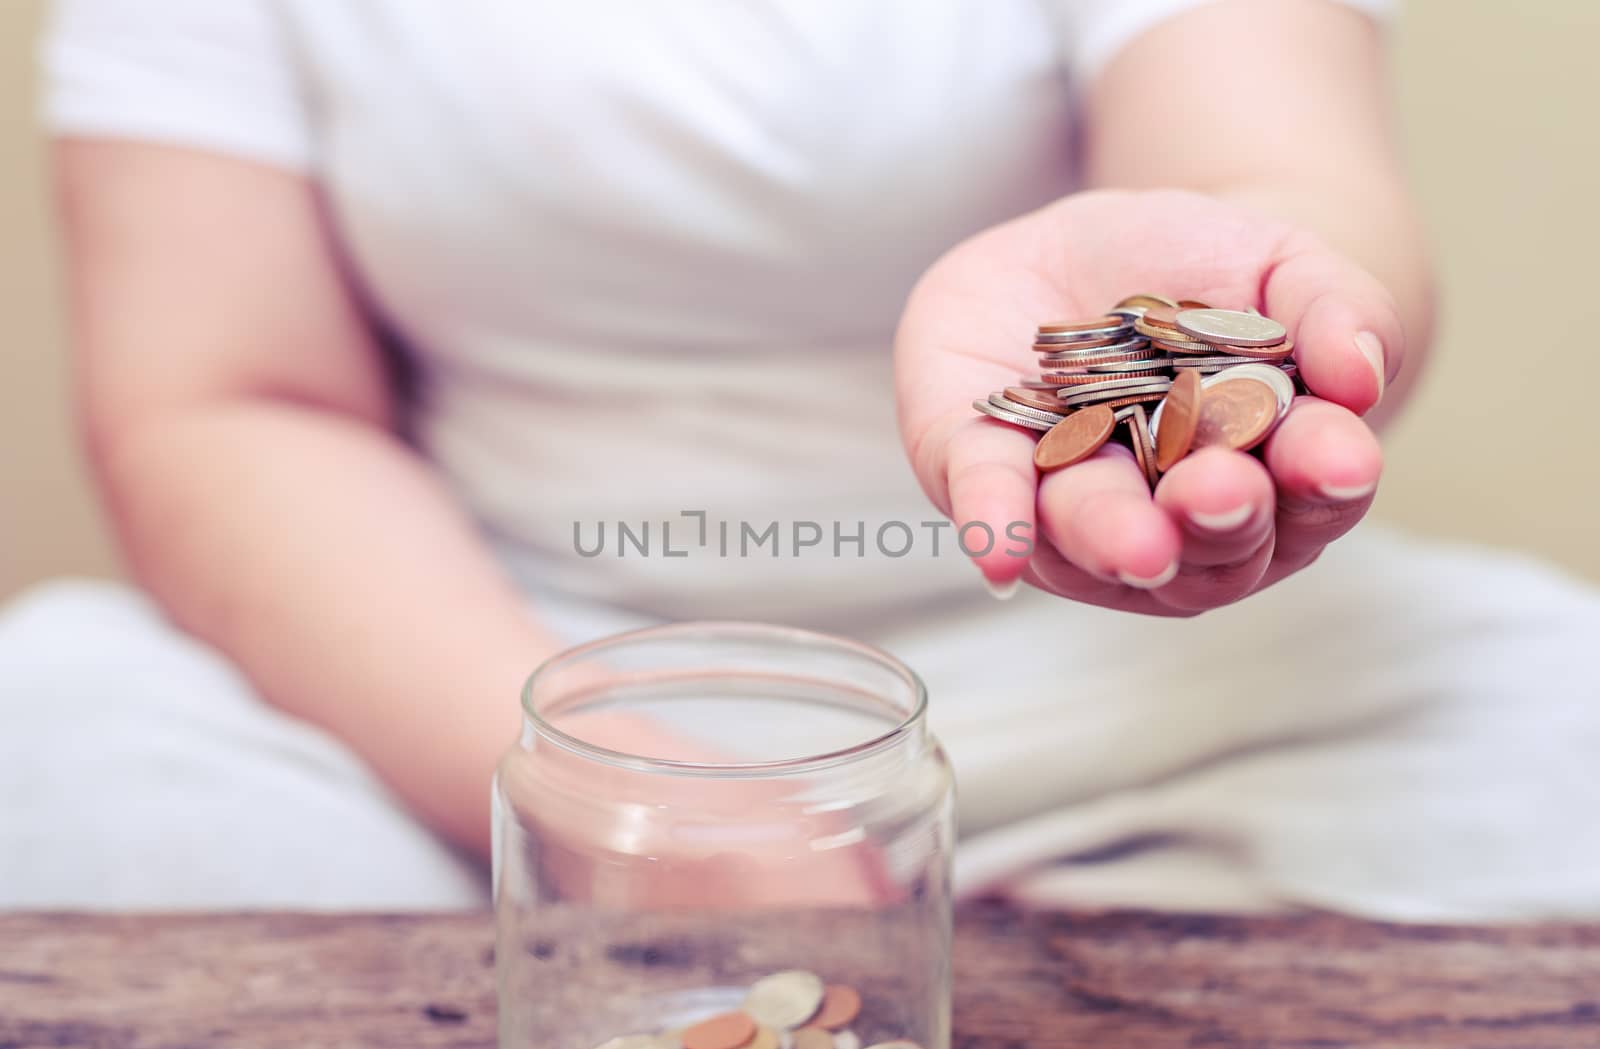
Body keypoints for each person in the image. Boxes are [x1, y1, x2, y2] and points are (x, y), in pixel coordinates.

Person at [5, 0, 1599, 917]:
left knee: (1562, 734)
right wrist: (641, 813)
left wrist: (1247, 286)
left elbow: (1269, 161)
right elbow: (228, 401)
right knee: (54, 745)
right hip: (503, 661)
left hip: (1120, 673)